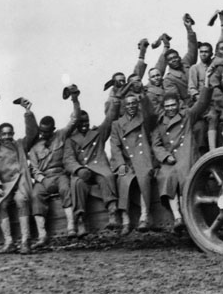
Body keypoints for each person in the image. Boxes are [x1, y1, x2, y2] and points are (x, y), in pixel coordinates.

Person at [63, 82, 130, 236]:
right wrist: (78, 169)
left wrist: (116, 100)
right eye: (81, 123)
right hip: (82, 172)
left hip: (99, 168)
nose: (85, 125)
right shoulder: (70, 140)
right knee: (77, 183)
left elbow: (110, 118)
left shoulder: (97, 133)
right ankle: (80, 220)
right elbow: (68, 160)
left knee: (107, 176)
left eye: (87, 122)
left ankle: (113, 213)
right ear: (76, 125)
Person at [151, 68, 214, 232]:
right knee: (166, 176)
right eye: (167, 106)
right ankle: (177, 216)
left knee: (184, 176)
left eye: (173, 105)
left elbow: (202, 104)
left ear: (178, 105)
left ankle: (189, 217)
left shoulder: (187, 115)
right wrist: (165, 157)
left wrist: (207, 81)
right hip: (170, 159)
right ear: (164, 107)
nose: (171, 108)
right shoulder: (160, 124)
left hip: (187, 156)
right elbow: (156, 145)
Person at [28, 87, 81, 248]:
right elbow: (34, 168)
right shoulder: (35, 147)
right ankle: (42, 235)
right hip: (43, 178)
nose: (44, 134)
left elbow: (74, 119)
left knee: (66, 189)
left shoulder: (61, 135)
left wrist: (75, 100)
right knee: (36, 195)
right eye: (41, 131)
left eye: (47, 131)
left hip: (59, 174)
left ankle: (71, 227)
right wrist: (42, 180)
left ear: (53, 129)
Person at [0, 98, 38, 254]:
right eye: (4, 134)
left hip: (21, 183)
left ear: (13, 134)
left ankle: (25, 240)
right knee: (1, 205)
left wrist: (28, 112)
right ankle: (8, 241)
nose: (7, 136)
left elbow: (32, 132)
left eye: (10, 134)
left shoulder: (20, 145)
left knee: (22, 200)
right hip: (5, 185)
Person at [110, 94, 156, 235]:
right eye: (128, 104)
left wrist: (143, 97)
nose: (131, 106)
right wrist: (120, 164)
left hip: (143, 160)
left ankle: (144, 216)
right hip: (126, 162)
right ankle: (126, 220)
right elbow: (115, 146)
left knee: (144, 177)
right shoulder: (117, 124)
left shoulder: (143, 119)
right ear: (124, 107)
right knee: (122, 179)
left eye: (134, 103)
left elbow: (151, 114)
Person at [163, 15, 198, 107]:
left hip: (201, 97)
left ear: (179, 57)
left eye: (175, 57)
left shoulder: (185, 62)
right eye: (170, 59)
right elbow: (176, 99)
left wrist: (189, 29)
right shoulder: (168, 79)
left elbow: (192, 48)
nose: (174, 60)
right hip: (190, 106)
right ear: (167, 63)